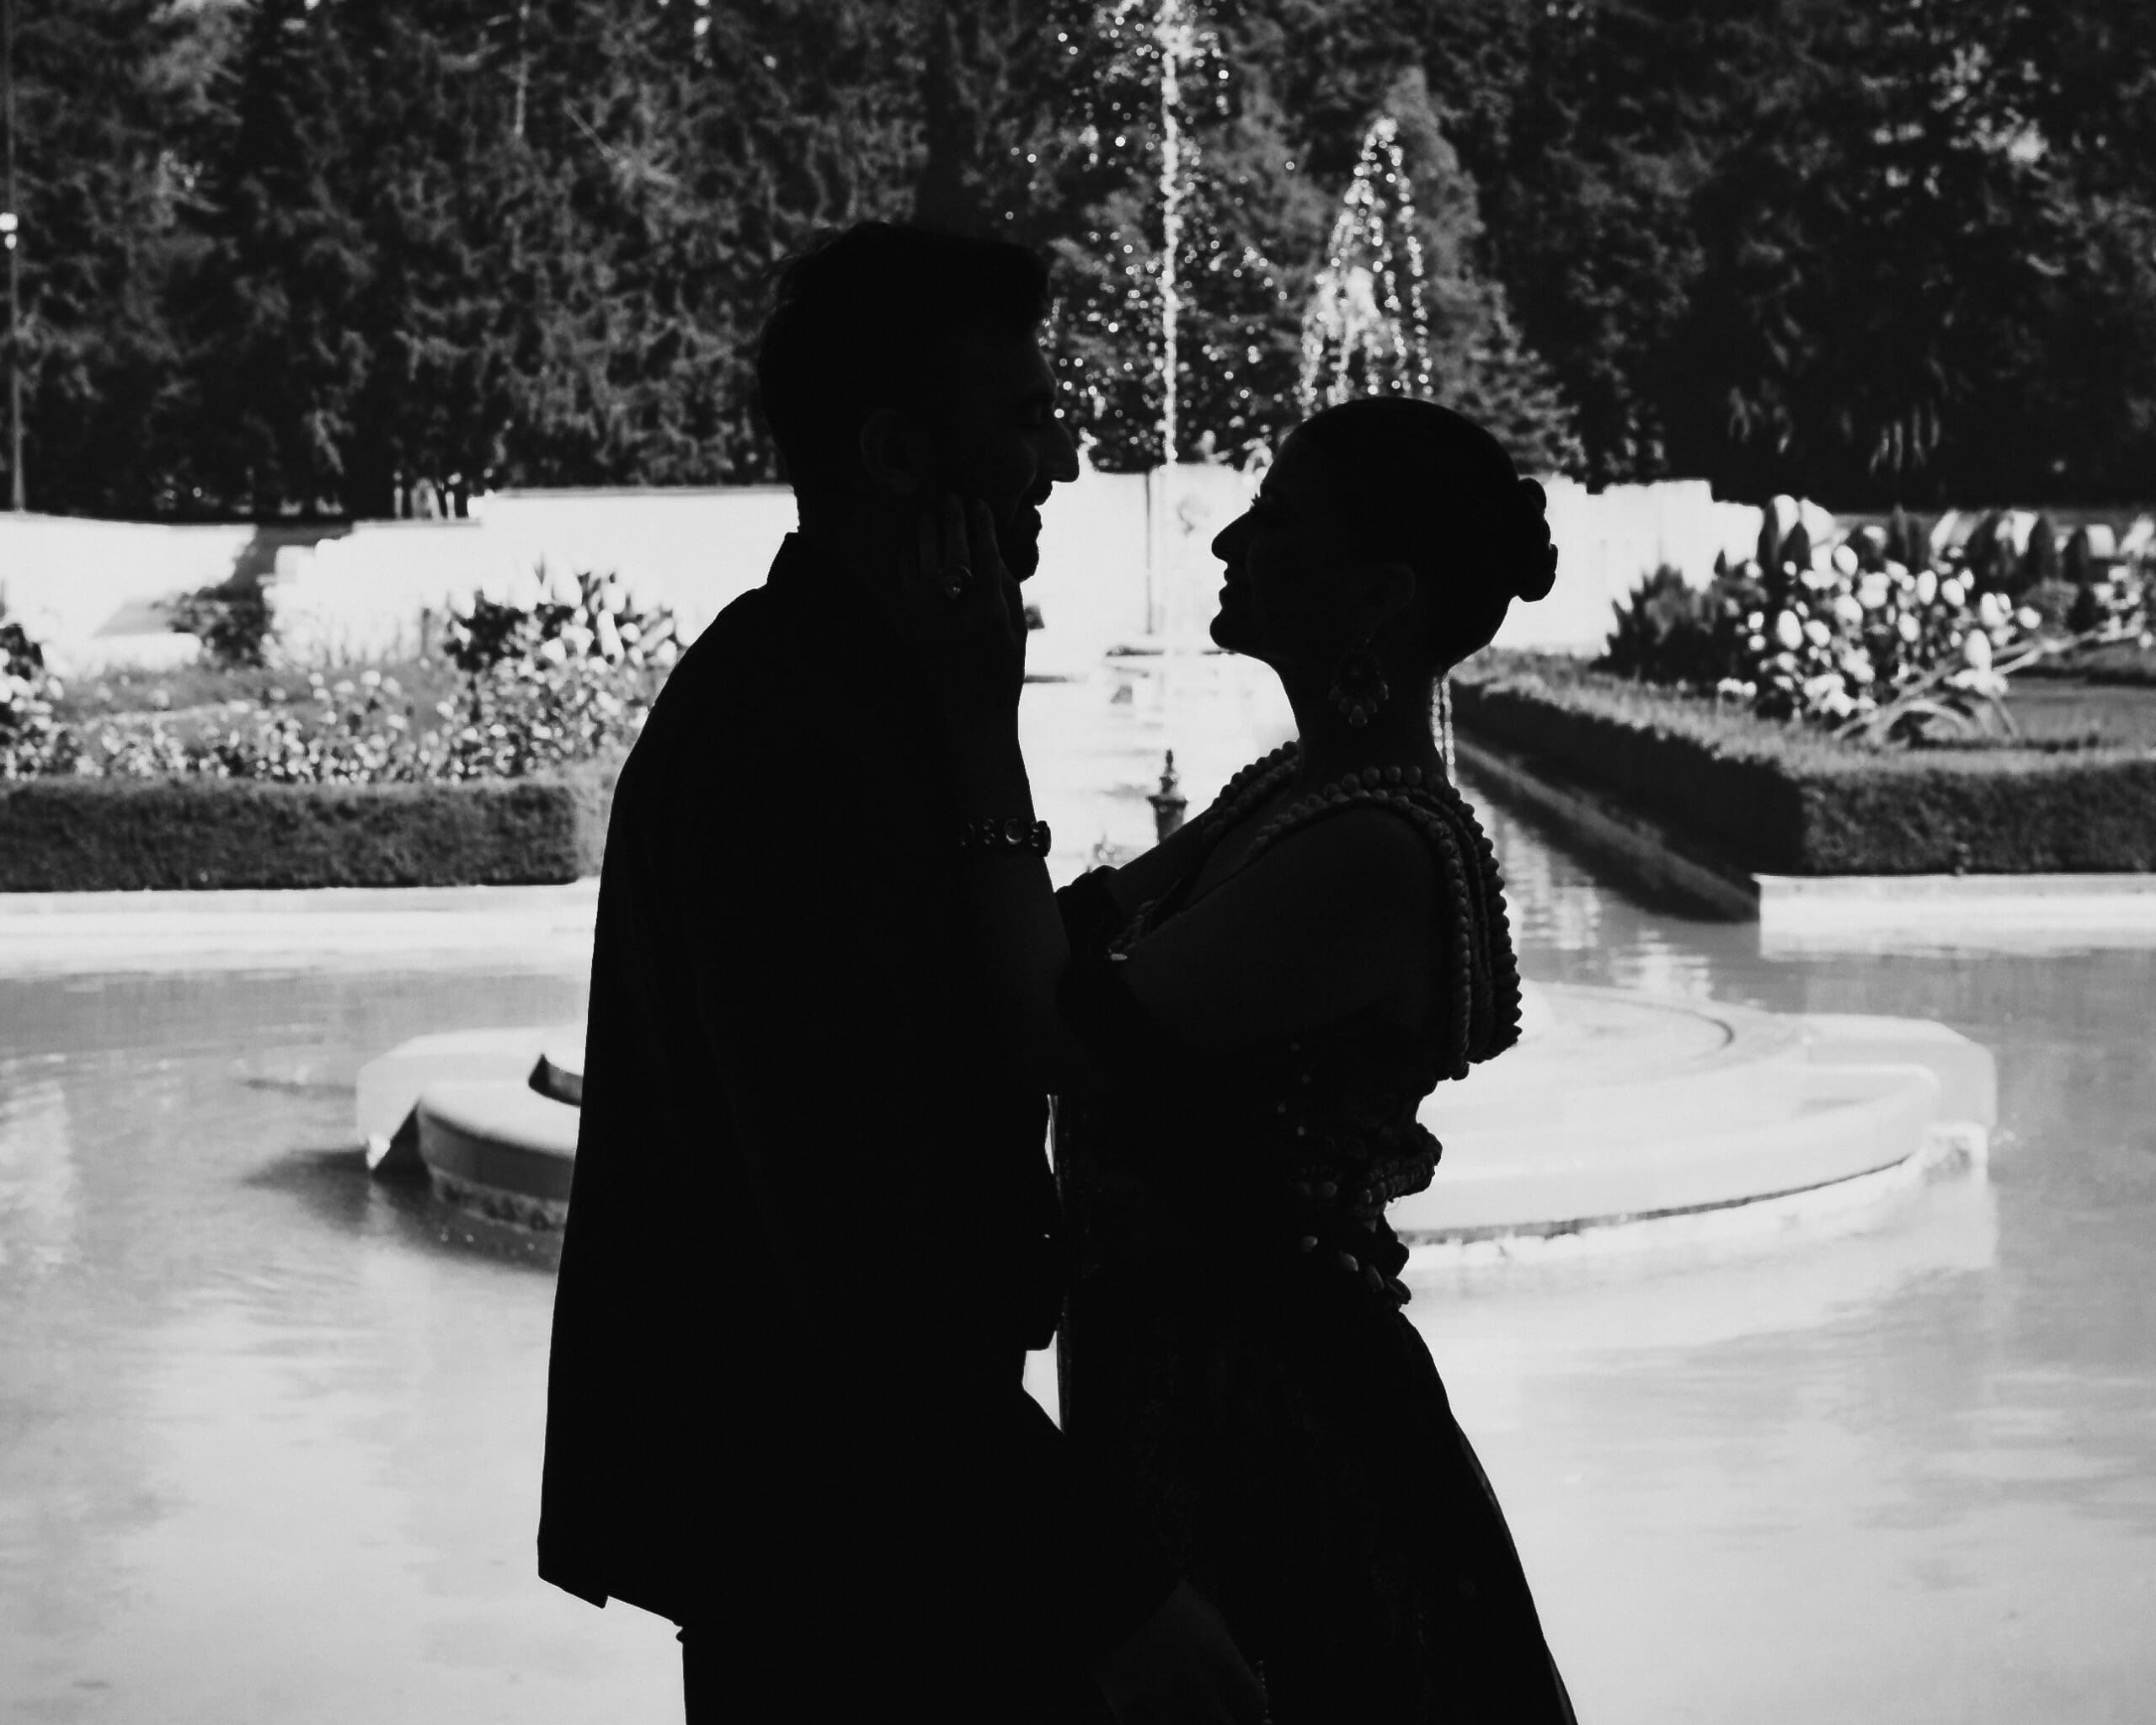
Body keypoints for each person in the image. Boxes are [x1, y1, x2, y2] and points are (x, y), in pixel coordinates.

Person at [537, 223, 1267, 1725]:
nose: (1058, 460)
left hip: (875, 1520)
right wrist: (1113, 1589)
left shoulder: (845, 685)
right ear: (892, 452)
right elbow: (856, 1245)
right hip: (851, 1555)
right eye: (1021, 417)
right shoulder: (796, 737)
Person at [905, 395, 1579, 1722]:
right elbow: (1056, 943)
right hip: (1178, 1394)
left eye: (1277, 521)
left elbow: (1057, 1036)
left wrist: (980, 731)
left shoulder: (1376, 853)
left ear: (1378, 592)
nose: (1231, 542)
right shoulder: (1290, 794)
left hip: (1278, 1437)